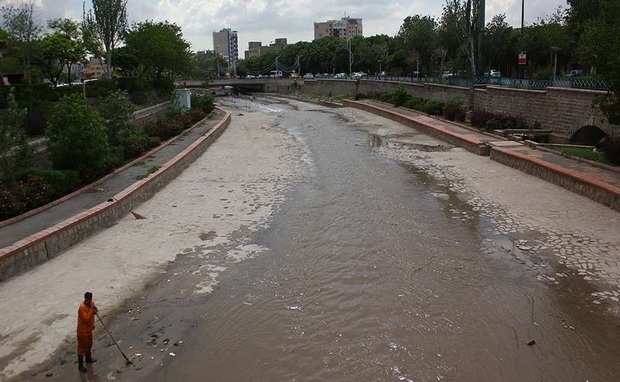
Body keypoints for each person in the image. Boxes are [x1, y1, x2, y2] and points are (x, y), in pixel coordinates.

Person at [77, 292, 98, 372]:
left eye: (89, 300)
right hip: (82, 331)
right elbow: (86, 319)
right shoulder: (82, 308)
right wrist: (91, 310)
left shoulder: (91, 304)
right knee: (82, 347)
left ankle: (88, 358)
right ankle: (80, 365)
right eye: (87, 300)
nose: (88, 301)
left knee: (89, 344)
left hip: (89, 329)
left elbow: (95, 311)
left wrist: (94, 309)